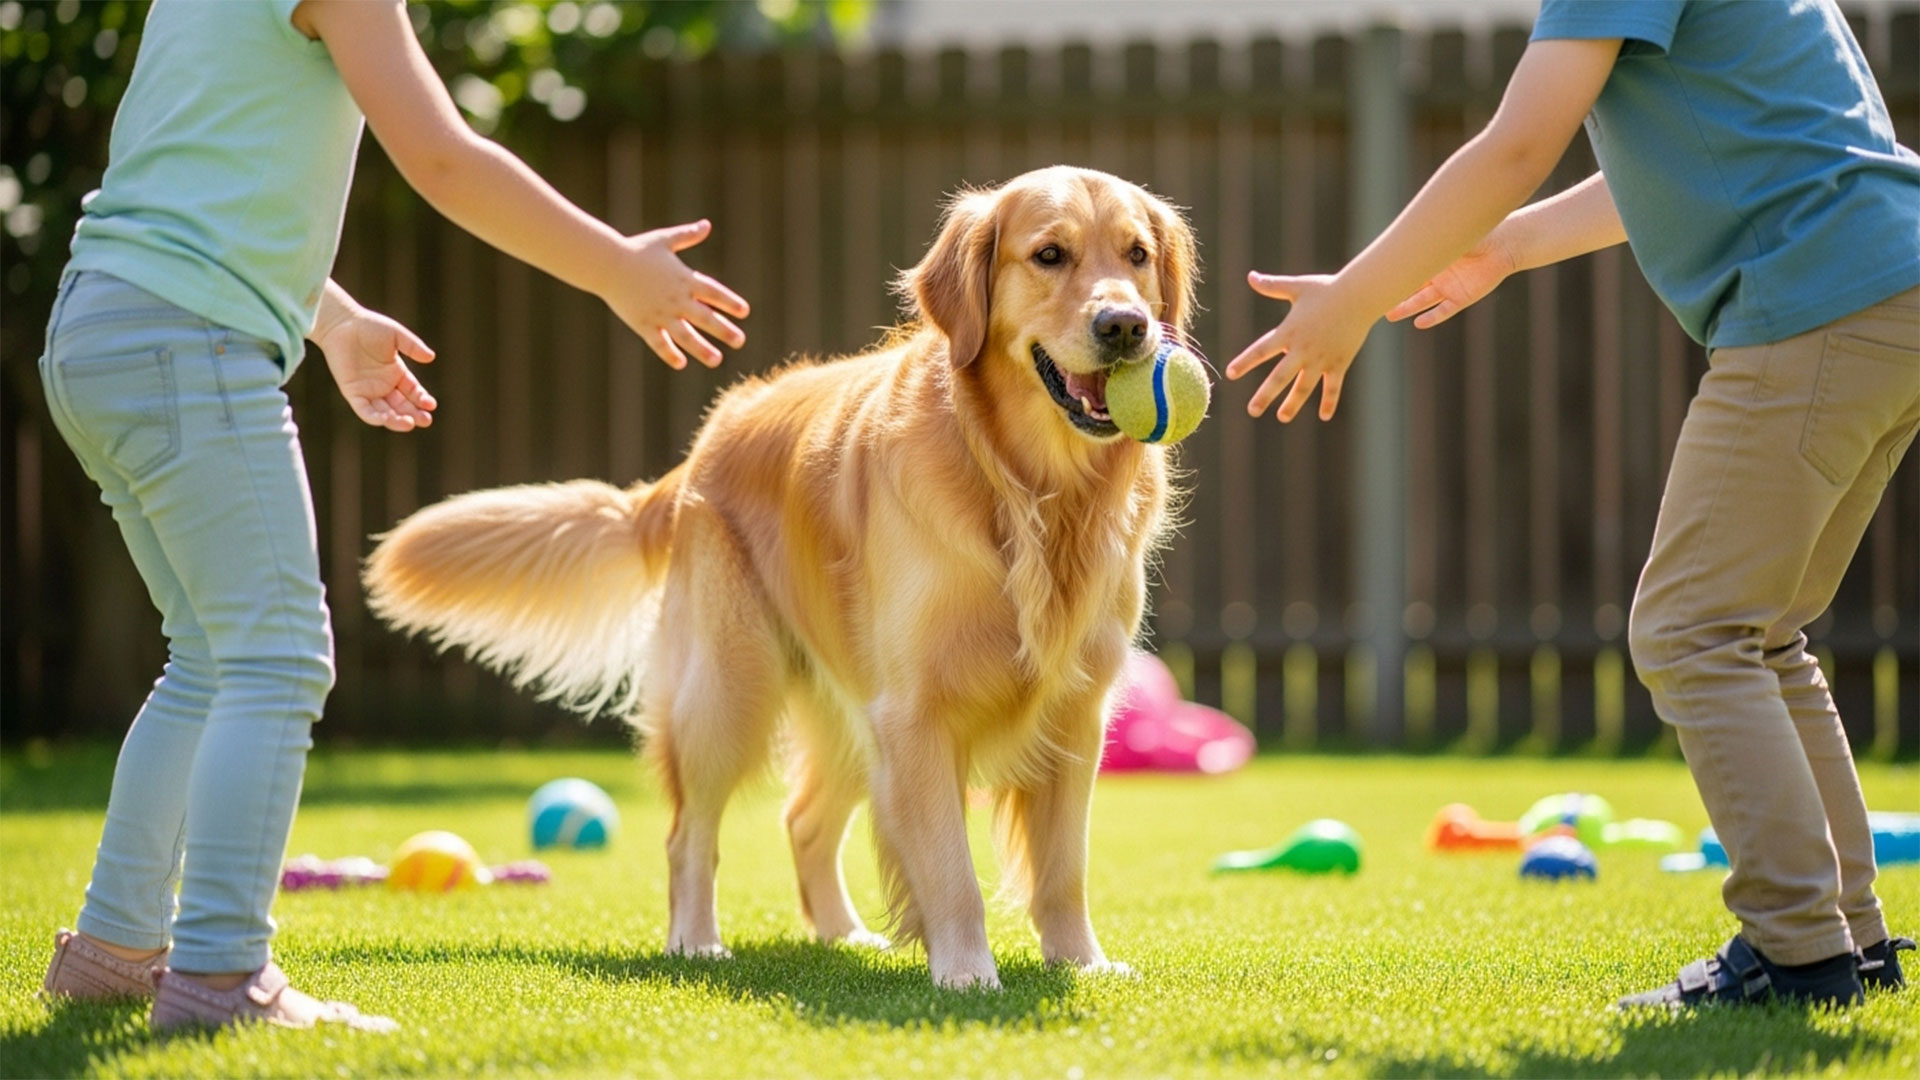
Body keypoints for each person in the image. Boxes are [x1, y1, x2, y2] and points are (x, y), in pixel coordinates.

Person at [37, 0, 748, 1031]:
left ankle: (114, 951)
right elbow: (443, 159)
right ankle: (222, 978)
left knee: (210, 658)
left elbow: (189, 180)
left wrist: (331, 321)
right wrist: (616, 270)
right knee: (276, 659)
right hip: (187, 342)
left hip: (102, 324)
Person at [1226, 0, 1917, 1008]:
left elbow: (1517, 146)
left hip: (1815, 303)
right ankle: (1848, 940)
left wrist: (1355, 298)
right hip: (1889, 291)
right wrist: (1509, 245)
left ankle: (1799, 952)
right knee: (1760, 633)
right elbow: (1696, 149)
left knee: (1693, 630)